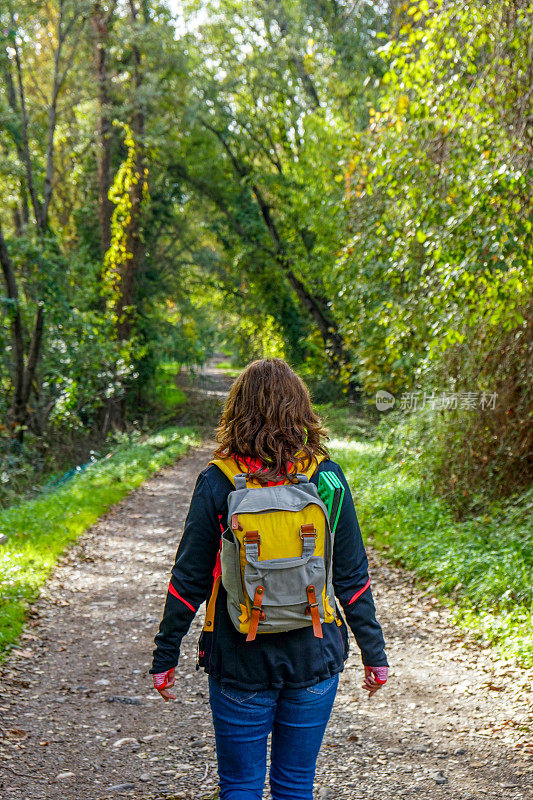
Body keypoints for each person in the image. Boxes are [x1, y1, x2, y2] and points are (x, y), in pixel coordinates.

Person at [150, 358, 389, 800]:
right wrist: (375, 654)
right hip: (315, 655)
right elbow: (352, 576)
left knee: (239, 787)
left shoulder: (218, 481)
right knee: (295, 786)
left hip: (239, 658)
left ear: (236, 411)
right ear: (302, 411)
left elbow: (189, 579)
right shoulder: (328, 479)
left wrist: (165, 656)